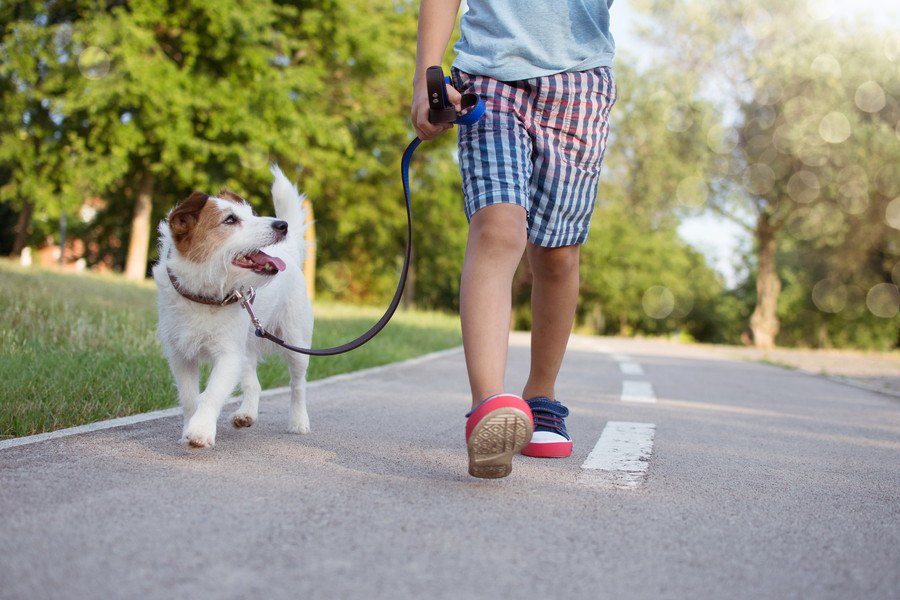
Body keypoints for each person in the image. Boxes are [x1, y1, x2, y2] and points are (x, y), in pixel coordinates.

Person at [411, 0, 617, 478]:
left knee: (558, 253)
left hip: (580, 82)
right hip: (489, 74)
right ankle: (489, 406)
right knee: (499, 228)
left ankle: (541, 396)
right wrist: (426, 78)